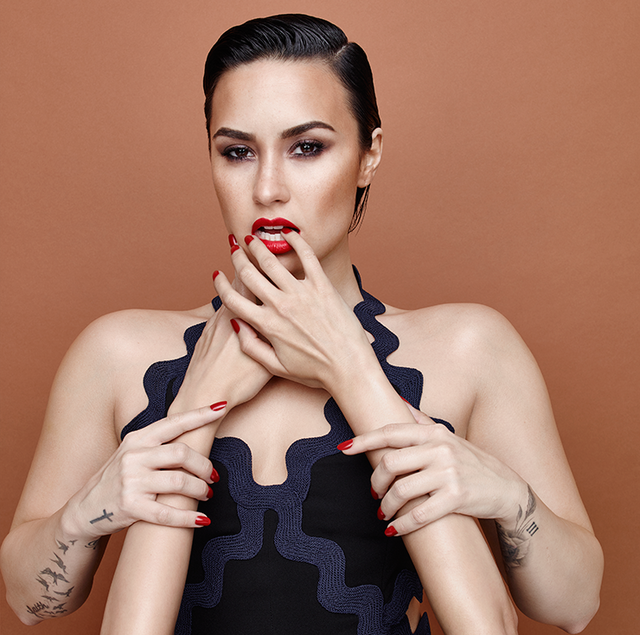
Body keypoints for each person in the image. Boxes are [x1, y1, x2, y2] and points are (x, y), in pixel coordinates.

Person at [1, 14, 602, 635]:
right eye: (237, 152)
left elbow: (574, 607)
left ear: (369, 155)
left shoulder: (470, 349)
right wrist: (90, 508)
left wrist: (509, 498)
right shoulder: (117, 354)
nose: (268, 189)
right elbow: (29, 602)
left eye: (307, 147)